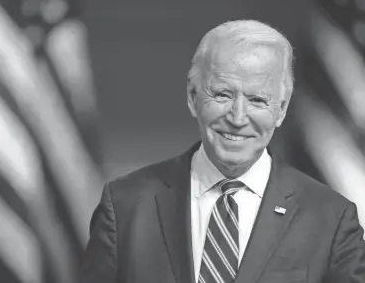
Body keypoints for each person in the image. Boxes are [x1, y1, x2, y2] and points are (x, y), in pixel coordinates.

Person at [80, 20, 365, 283]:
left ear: (282, 109)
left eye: (257, 100)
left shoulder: (332, 219)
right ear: (193, 97)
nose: (238, 117)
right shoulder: (124, 207)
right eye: (222, 95)